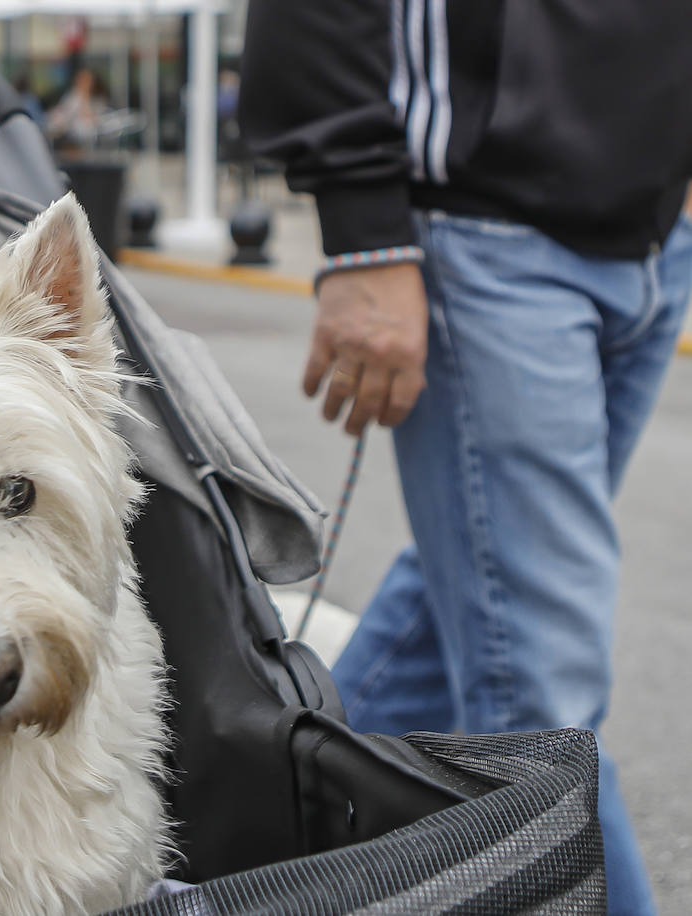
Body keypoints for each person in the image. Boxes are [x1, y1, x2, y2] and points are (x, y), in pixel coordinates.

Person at [238, 4, 692, 914]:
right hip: (486, 235)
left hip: (652, 230)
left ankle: (262, 848)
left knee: (466, 612)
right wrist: (365, 225)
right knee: (543, 709)